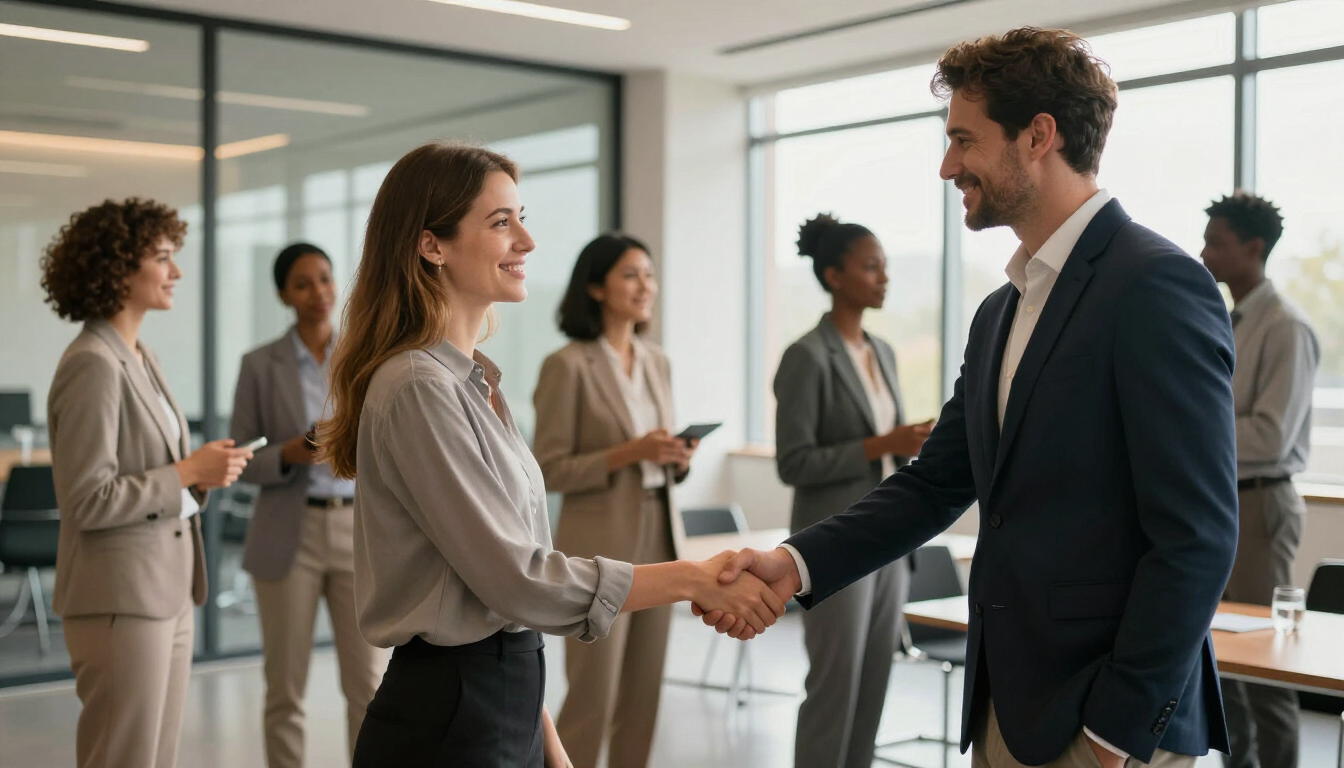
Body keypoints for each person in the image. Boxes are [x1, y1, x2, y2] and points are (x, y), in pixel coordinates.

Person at [702, 28, 1239, 768]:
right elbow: (935, 484)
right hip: (1007, 706)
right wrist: (793, 564)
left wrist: (1114, 733)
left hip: (1104, 724)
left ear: (1038, 136)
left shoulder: (1156, 284)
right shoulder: (1000, 310)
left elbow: (1197, 536)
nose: (947, 165)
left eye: (963, 140)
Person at [316, 141, 785, 768]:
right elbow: (515, 579)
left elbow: (498, 608)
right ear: (432, 245)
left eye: (522, 218)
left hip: (503, 698)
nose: (527, 241)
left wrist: (547, 743)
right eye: (500, 222)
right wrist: (691, 578)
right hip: (450, 719)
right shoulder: (419, 387)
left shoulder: (473, 382)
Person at [41, 198, 253, 768]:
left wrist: (203, 474)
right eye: (162, 258)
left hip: (167, 590)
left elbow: (155, 476)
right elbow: (88, 501)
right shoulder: (92, 363)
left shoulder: (141, 356)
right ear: (117, 269)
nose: (175, 271)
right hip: (121, 598)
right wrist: (187, 471)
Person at [774, 213, 931, 768]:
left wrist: (907, 444)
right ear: (834, 276)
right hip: (833, 542)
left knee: (873, 683)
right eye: (870, 267)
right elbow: (794, 462)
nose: (883, 277)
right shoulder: (807, 355)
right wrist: (881, 443)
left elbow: (886, 446)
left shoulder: (882, 351)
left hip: (889, 539)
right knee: (834, 686)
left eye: (884, 266)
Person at [533, 233, 696, 768]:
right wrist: (630, 452)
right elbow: (548, 469)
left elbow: (659, 457)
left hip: (660, 535)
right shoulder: (567, 366)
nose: (645, 286)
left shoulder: (658, 361)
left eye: (649, 274)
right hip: (598, 545)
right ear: (596, 287)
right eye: (630, 275)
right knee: (593, 696)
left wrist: (677, 457)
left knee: (643, 695)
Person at [231, 243, 384, 768]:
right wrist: (289, 453)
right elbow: (239, 459)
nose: (318, 292)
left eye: (324, 278)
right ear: (283, 295)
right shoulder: (259, 365)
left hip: (359, 532)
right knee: (285, 688)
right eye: (302, 283)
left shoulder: (366, 356)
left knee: (369, 687)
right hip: (288, 534)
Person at [1200, 192, 1319, 768]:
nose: (1204, 254)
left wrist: (1194, 430)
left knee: (1267, 670)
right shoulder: (1227, 321)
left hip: (1260, 507)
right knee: (1223, 666)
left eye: (1216, 243)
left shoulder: (1285, 327)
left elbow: (1270, 437)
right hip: (1222, 501)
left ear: (1254, 248)